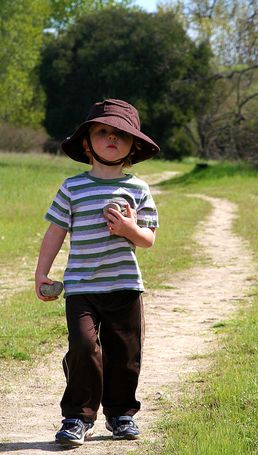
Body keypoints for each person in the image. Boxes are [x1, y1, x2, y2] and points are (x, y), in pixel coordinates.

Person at [35, 99, 160, 447]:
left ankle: (121, 414)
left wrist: (128, 229)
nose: (111, 139)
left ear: (133, 144)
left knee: (125, 353)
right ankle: (77, 416)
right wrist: (41, 274)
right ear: (87, 142)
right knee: (84, 345)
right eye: (102, 131)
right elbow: (55, 232)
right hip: (81, 287)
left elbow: (148, 239)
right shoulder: (72, 188)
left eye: (120, 134)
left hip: (124, 285)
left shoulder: (138, 189)